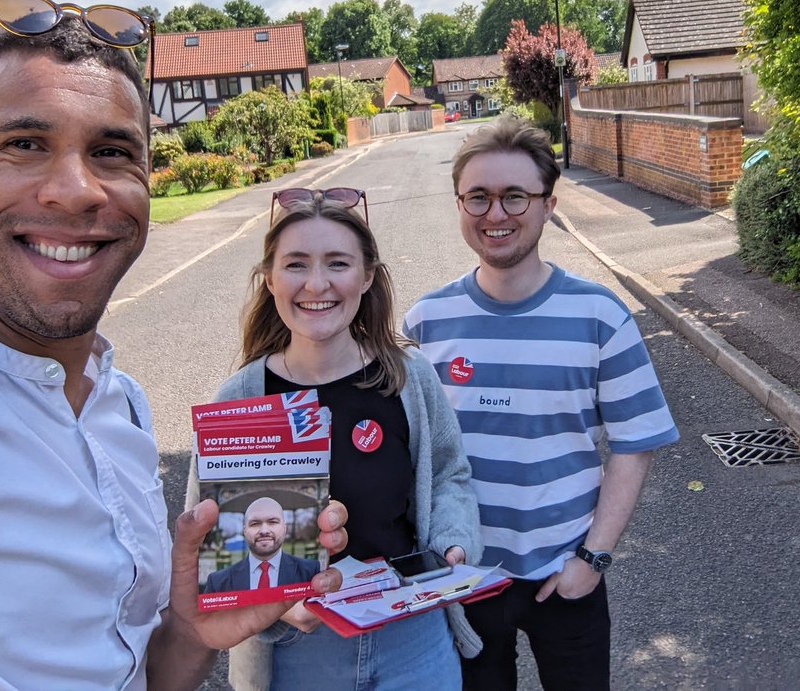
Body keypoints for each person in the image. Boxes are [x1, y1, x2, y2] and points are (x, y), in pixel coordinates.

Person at [0, 6, 346, 690]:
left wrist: (191, 633)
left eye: (110, 153)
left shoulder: (124, 405)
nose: (75, 191)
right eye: (24, 144)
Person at [403, 114, 680, 691]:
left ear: (549, 204)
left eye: (514, 197)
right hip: (463, 579)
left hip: (565, 573)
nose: (495, 215)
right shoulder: (425, 323)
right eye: (477, 197)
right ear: (459, 205)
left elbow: (635, 445)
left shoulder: (600, 315)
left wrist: (594, 558)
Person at [188, 190, 482, 691]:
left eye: (338, 263)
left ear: (367, 276)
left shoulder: (408, 377)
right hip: (295, 650)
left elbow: (449, 472)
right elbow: (210, 535)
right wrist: (275, 602)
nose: (317, 284)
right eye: (296, 264)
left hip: (410, 636)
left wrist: (454, 542)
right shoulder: (242, 395)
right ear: (270, 278)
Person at [204, 497, 321, 593]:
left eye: (273, 522)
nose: (264, 530)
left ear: (285, 528)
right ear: (245, 531)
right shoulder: (217, 582)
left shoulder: (310, 571)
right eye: (255, 524)